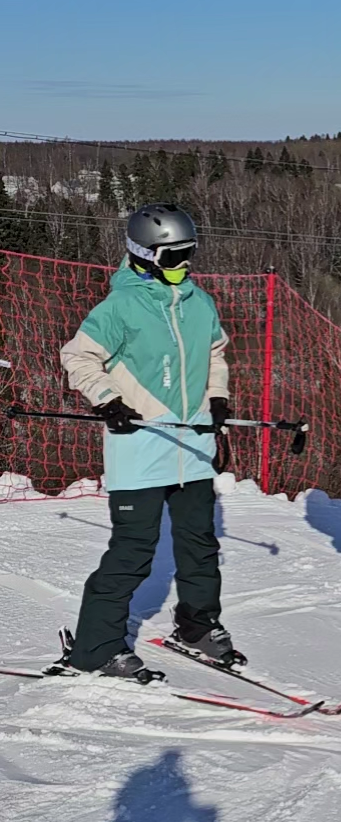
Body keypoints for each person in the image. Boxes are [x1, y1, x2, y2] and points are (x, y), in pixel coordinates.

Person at [58, 203, 241, 681]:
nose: (182, 264)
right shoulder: (120, 306)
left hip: (193, 446)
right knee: (133, 551)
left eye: (188, 254)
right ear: (142, 254)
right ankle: (96, 649)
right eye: (172, 256)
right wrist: (106, 400)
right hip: (139, 445)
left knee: (200, 545)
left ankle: (198, 626)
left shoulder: (199, 302)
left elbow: (215, 353)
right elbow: (78, 358)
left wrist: (216, 397)